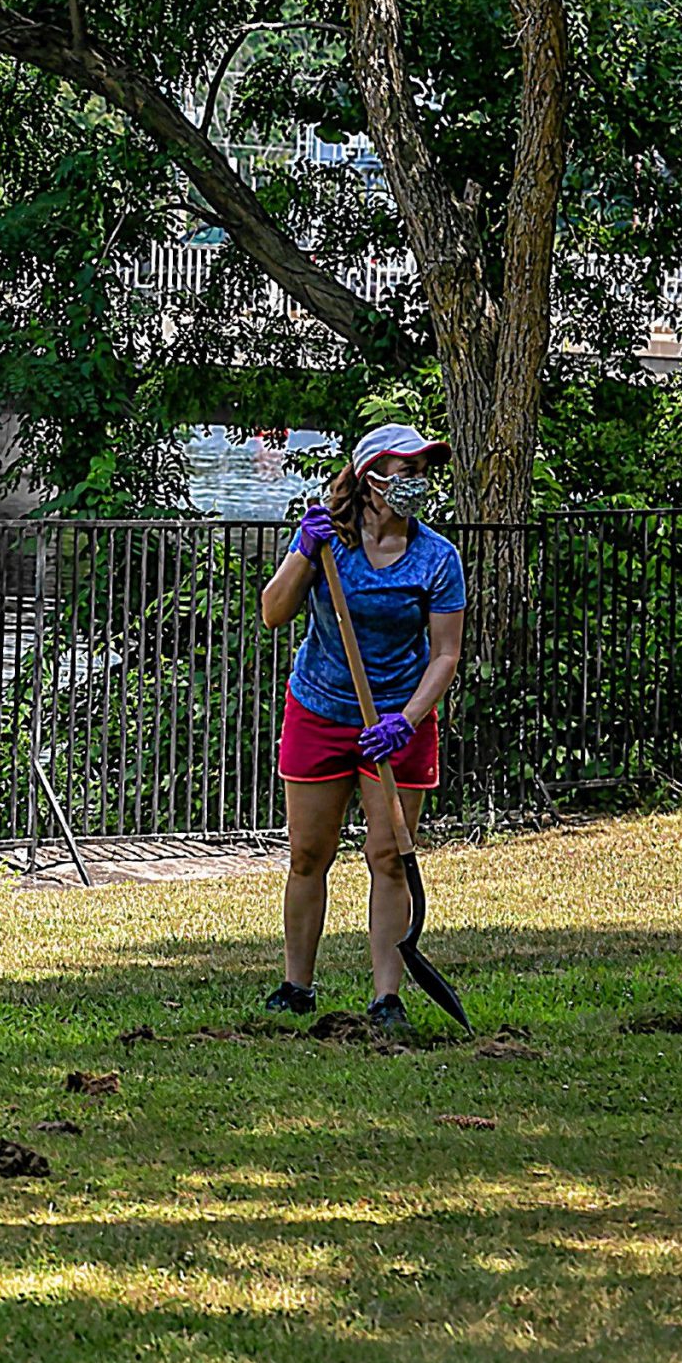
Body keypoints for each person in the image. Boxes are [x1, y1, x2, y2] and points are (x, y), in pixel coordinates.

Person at [258, 422, 469, 1032]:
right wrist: (303, 550)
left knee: (390, 857)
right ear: (369, 478)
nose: (416, 485)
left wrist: (406, 720)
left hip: (398, 721)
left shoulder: (437, 558)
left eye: (422, 473)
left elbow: (446, 654)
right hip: (321, 710)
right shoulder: (330, 547)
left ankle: (386, 998)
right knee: (308, 854)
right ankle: (297, 986)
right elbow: (274, 613)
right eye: (405, 473)